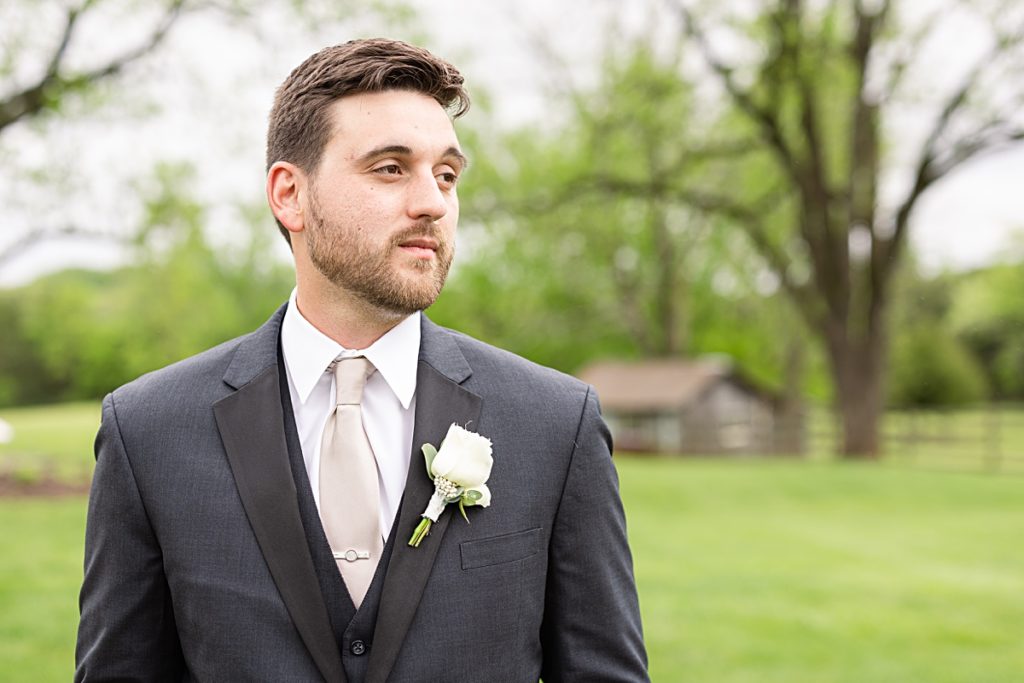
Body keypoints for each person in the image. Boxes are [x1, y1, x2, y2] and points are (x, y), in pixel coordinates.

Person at [75, 38, 648, 682]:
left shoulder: (555, 424)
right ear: (290, 194)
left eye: (447, 174)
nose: (433, 201)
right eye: (390, 168)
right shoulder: (148, 430)